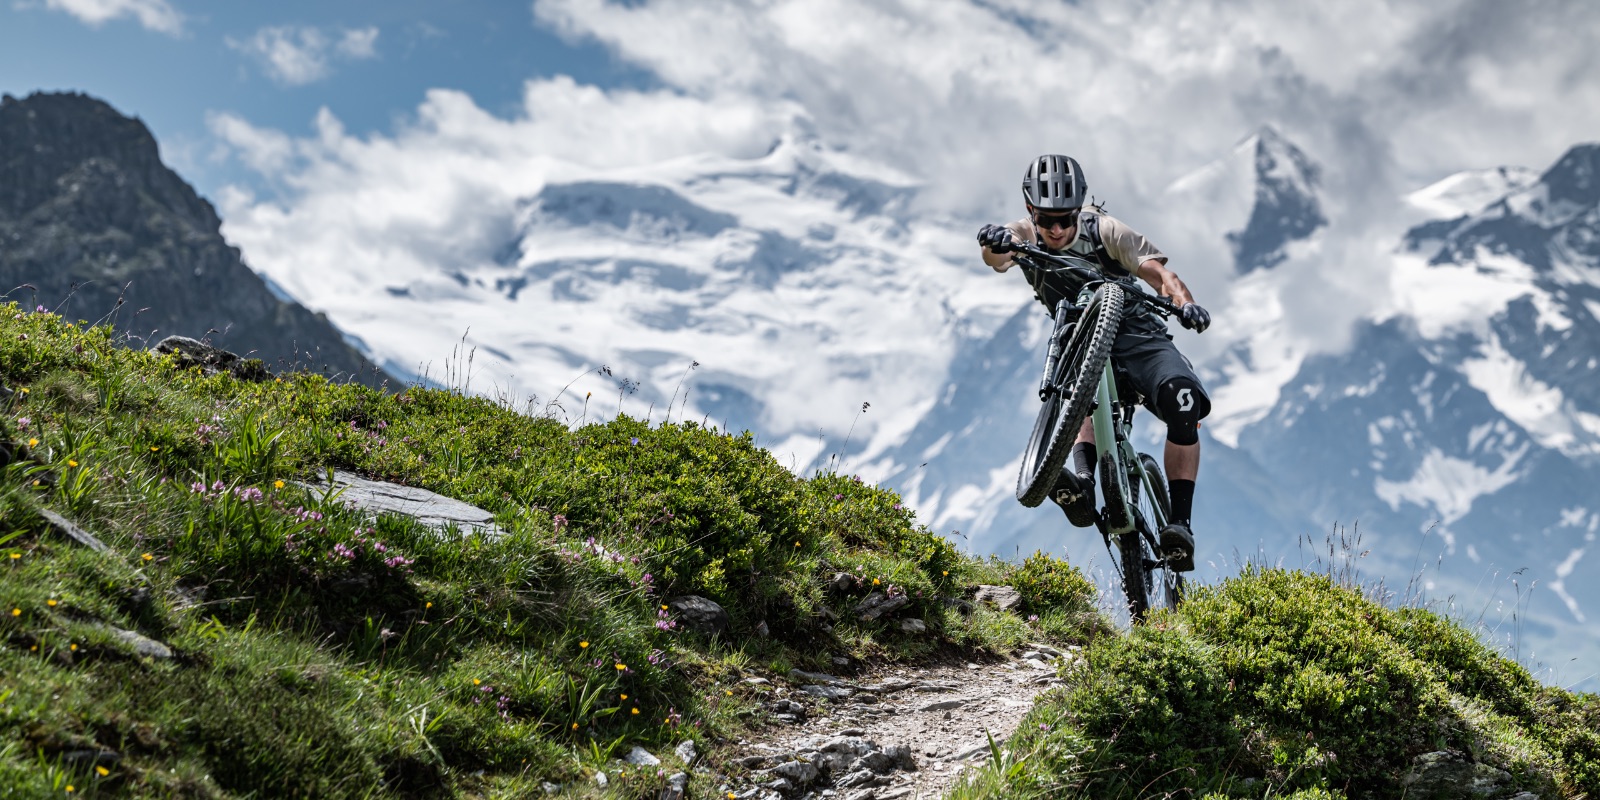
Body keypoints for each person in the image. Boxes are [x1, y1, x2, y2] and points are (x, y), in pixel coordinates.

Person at [976, 154, 1211, 571]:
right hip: (1079, 335)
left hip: (1139, 332)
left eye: (1065, 219)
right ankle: (1083, 485)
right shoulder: (1024, 235)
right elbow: (997, 256)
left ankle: (1180, 525)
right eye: (1046, 220)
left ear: (1077, 210)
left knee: (1185, 402)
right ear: (1032, 211)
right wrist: (992, 242)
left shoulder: (1105, 230)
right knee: (1081, 384)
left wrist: (1186, 304)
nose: (1056, 230)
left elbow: (1159, 275)